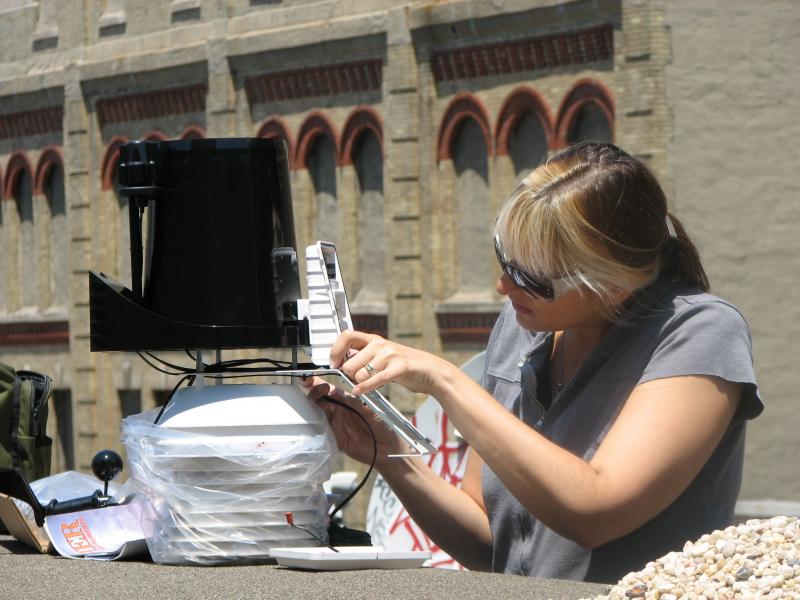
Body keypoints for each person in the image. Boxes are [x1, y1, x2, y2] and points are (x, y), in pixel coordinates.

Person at [301, 141, 762, 583]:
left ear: (613, 284)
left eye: (530, 276)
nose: (504, 286)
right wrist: (387, 453)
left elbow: (595, 512)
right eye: (505, 260)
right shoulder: (522, 326)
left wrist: (445, 380)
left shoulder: (699, 333)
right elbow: (491, 543)